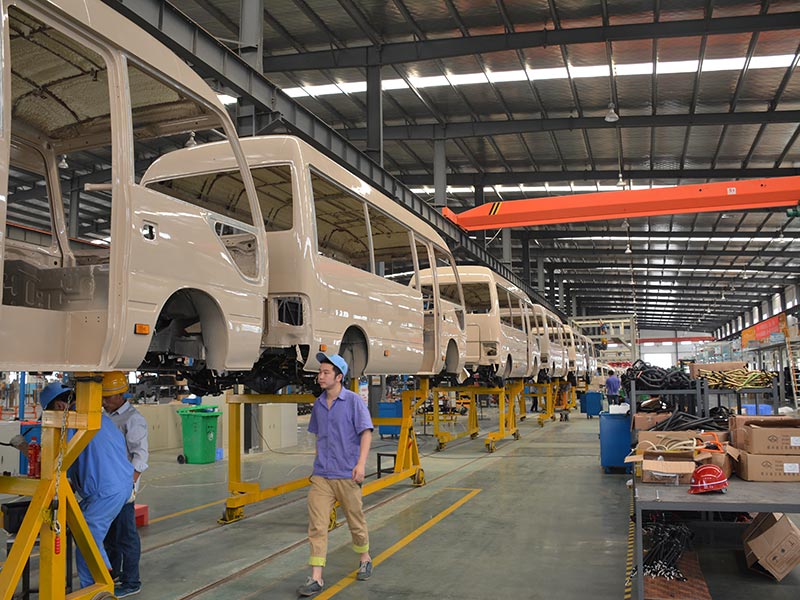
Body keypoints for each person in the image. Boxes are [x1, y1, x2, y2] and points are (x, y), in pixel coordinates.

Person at [11, 380, 133, 591]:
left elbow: (50, 460)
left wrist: (23, 446)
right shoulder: (95, 417)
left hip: (106, 491)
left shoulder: (72, 421)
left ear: (59, 406)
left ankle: (98, 586)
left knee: (87, 539)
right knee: (83, 527)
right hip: (115, 485)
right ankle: (103, 575)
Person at [297, 352, 374, 597]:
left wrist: (360, 464)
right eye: (320, 372)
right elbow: (319, 436)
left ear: (339, 377)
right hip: (322, 475)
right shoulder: (319, 405)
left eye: (326, 372)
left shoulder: (353, 401)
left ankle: (365, 558)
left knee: (355, 520)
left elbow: (366, 433)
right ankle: (316, 577)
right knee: (317, 525)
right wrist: (317, 462)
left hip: (346, 473)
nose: (320, 376)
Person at [102, 371, 148, 598]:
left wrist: (129, 486)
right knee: (110, 536)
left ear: (120, 395)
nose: (104, 401)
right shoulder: (106, 416)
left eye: (108, 397)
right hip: (107, 488)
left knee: (126, 537)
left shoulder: (133, 419)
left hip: (122, 488)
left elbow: (140, 457)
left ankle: (131, 582)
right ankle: (113, 574)